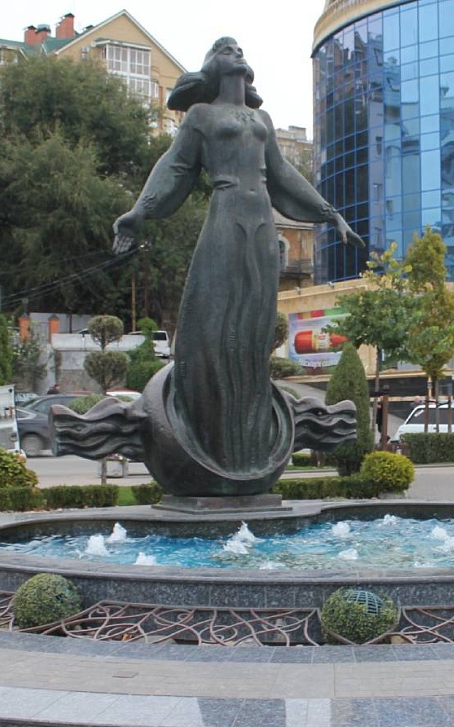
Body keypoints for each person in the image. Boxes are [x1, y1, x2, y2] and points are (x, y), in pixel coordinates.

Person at [113, 37, 364, 480]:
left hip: (262, 224)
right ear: (212, 65)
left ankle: (246, 429)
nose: (236, 52)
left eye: (239, 48)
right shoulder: (201, 116)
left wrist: (331, 214)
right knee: (216, 313)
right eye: (225, 49)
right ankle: (207, 415)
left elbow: (283, 175)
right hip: (226, 216)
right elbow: (173, 168)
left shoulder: (261, 119)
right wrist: (139, 213)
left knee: (255, 321)